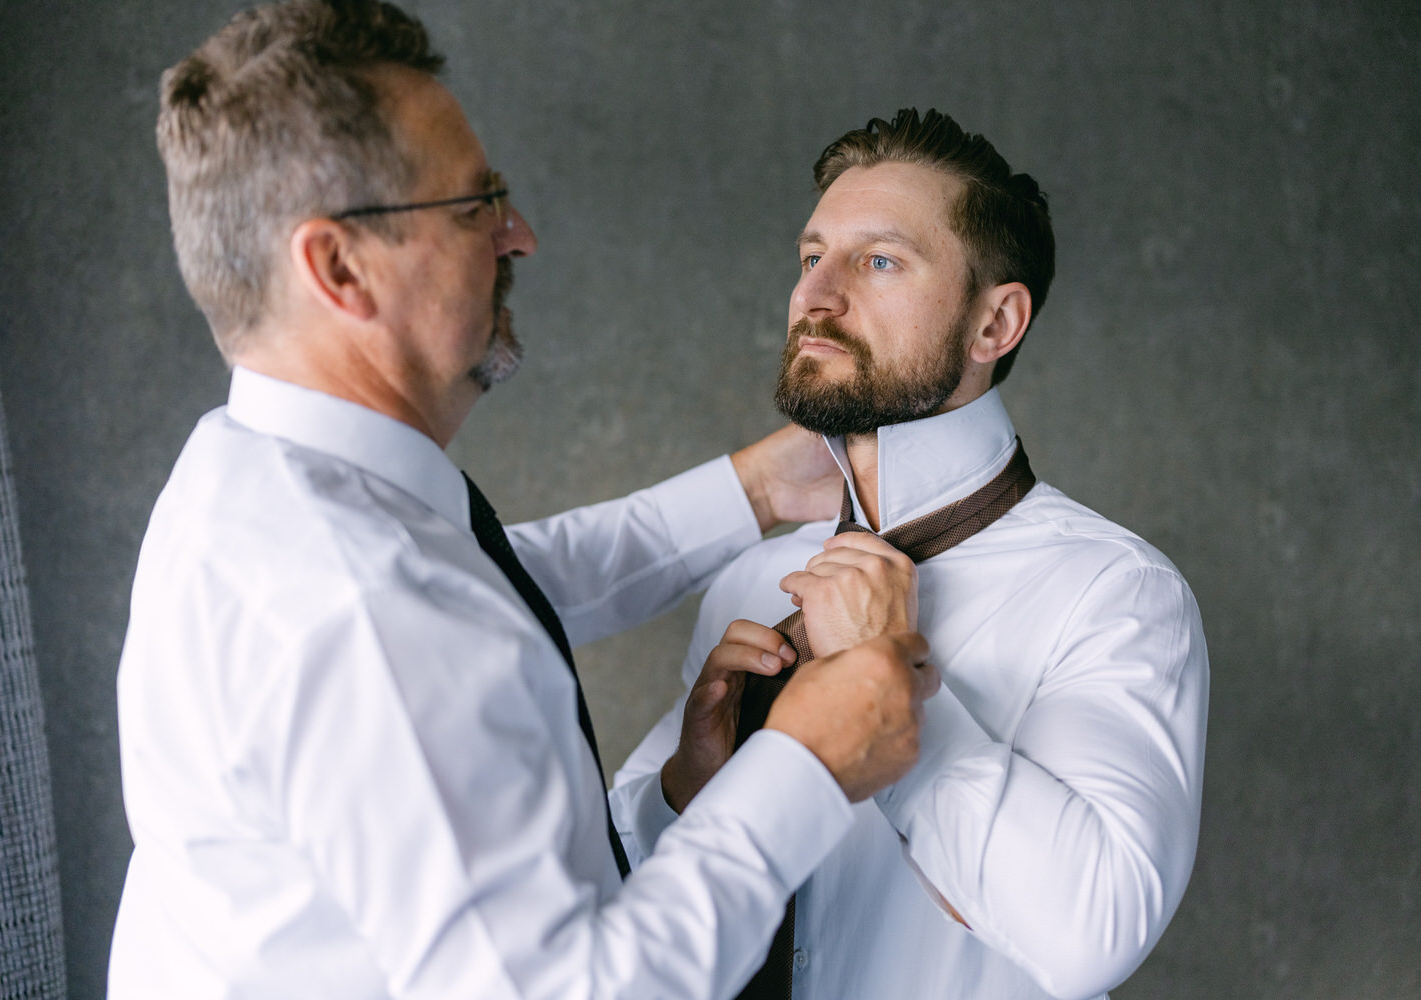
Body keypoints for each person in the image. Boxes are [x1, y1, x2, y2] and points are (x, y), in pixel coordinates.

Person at [107, 3, 939, 998]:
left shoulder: (253, 476)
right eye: (475, 205)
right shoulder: (365, 612)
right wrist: (807, 764)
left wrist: (756, 490)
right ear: (339, 267)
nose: (521, 235)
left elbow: (497, 579)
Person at [613, 108, 1210, 1000]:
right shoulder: (752, 581)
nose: (817, 294)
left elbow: (1092, 934)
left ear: (994, 324)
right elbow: (624, 891)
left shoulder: (1113, 592)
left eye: (879, 260)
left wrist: (874, 672)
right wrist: (686, 789)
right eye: (812, 257)